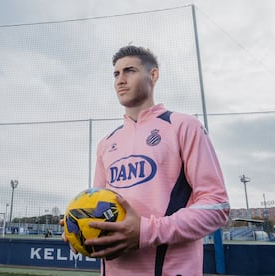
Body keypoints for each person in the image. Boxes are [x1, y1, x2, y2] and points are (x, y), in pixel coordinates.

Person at [64, 45, 230, 276]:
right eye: (116, 74)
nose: (120, 80)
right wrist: (80, 228)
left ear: (153, 75)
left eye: (129, 70)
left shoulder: (183, 126)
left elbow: (217, 205)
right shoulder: (106, 143)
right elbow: (95, 207)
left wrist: (145, 231)